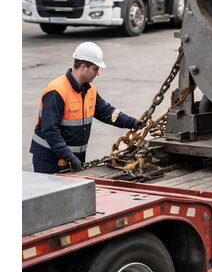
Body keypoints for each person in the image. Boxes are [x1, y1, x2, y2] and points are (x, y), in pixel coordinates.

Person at [30, 42, 141, 174]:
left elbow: (107, 112)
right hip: (49, 160)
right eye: (95, 69)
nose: (98, 73)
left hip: (72, 159)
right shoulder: (57, 92)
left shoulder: (89, 90)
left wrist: (132, 122)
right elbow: (50, 130)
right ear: (83, 67)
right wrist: (69, 156)